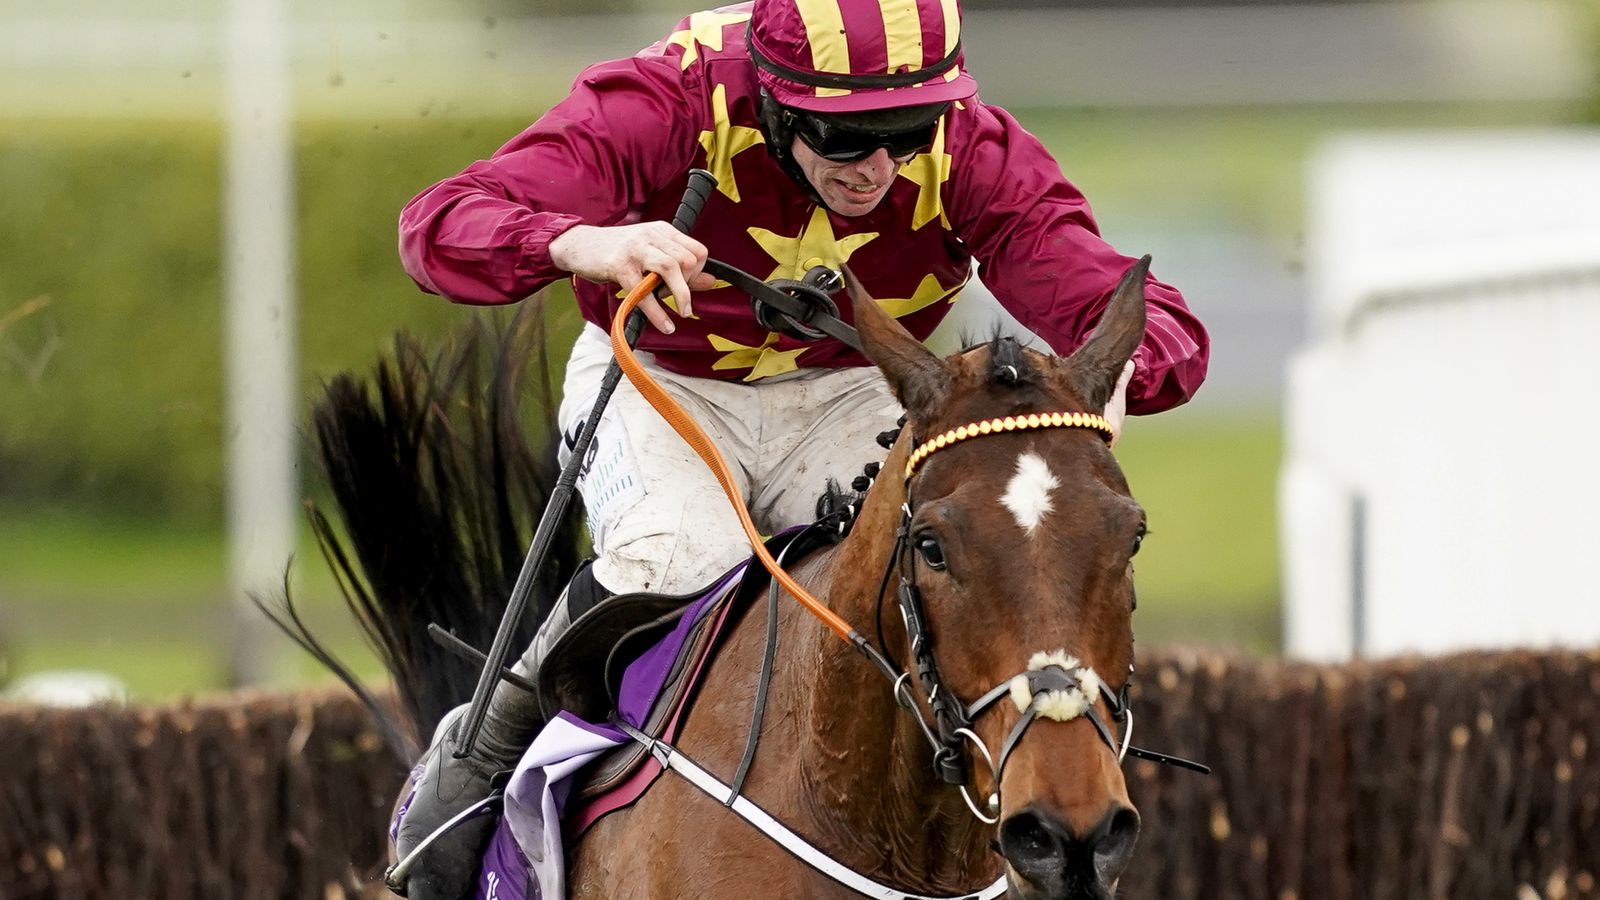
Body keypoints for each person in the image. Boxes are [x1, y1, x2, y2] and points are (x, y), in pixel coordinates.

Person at [392, 0, 1209, 894]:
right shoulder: (665, 100)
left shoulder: (969, 145)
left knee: (940, 563)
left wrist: (1130, 363)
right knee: (676, 557)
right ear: (775, 102)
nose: (880, 169)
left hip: (850, 385)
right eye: (846, 138)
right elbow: (440, 221)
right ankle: (481, 754)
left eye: (907, 133)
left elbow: (1114, 292)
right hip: (667, 378)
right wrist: (580, 239)